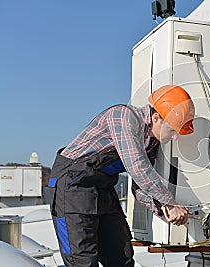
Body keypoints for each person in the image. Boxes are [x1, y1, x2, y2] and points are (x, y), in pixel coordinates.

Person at [48, 84, 195, 267]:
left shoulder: (151, 143)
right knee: (82, 261)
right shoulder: (123, 117)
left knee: (121, 256)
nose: (175, 138)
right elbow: (137, 166)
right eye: (173, 130)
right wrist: (169, 202)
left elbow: (139, 185)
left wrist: (163, 210)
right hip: (71, 185)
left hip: (102, 188)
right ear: (156, 117)